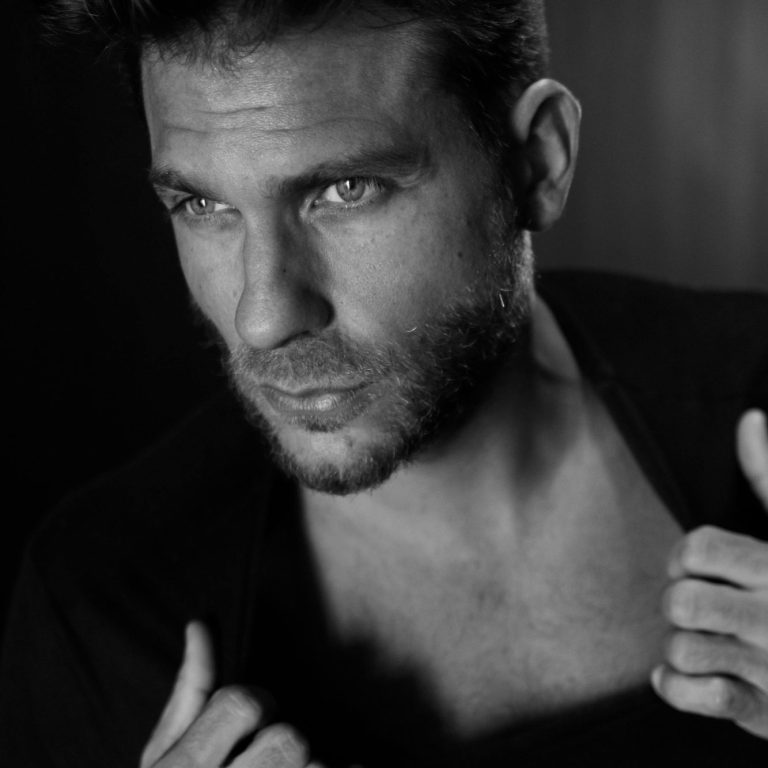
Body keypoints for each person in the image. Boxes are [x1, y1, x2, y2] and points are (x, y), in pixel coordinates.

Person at [2, 1, 768, 766]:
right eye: (202, 205)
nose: (263, 318)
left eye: (346, 189)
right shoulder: (103, 606)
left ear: (538, 161)